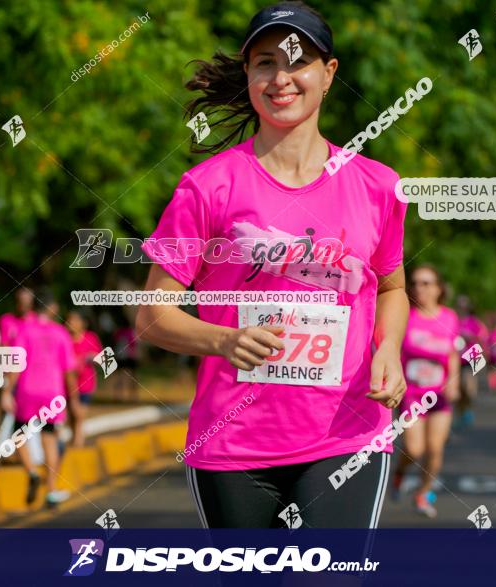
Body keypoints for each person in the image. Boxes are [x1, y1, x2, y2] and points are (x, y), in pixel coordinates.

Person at [136, 1, 409, 528]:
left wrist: (390, 348)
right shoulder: (209, 187)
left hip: (346, 433)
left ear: (328, 75)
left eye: (297, 61)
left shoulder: (376, 186)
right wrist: (223, 341)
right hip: (233, 444)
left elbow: (392, 288)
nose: (281, 77)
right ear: (248, 74)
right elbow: (151, 315)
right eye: (265, 62)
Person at [391, 265, 460, 518]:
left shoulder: (449, 317)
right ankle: (399, 473)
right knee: (414, 449)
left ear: (439, 288)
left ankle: (424, 492)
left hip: (440, 395)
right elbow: (393, 348)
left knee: (435, 449)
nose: (420, 288)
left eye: (427, 283)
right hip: (412, 393)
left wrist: (454, 381)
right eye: (416, 283)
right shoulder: (405, 315)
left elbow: (452, 353)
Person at [1, 291, 77, 508]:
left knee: (19, 434)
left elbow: (17, 363)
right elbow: (69, 369)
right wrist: (73, 399)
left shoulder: (24, 330)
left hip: (27, 390)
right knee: (50, 439)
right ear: (53, 308)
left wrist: (7, 391)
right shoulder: (61, 333)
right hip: (52, 391)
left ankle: (32, 472)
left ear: (34, 307)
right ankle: (51, 490)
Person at [67, 310, 102, 447]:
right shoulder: (65, 338)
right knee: (71, 415)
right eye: (69, 320)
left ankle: (78, 443)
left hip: (86, 384)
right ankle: (75, 438)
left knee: (79, 414)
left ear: (83, 323)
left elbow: (102, 359)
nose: (71, 323)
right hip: (69, 385)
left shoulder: (91, 337)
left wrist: (88, 357)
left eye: (74, 320)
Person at [455, 295, 488, 429]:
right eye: (460, 305)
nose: (462, 308)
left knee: (469, 385)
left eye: (464, 305)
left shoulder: (474, 322)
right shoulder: (454, 320)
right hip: (457, 358)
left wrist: (470, 337)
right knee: (459, 387)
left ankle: (468, 410)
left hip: (472, 356)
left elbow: (482, 339)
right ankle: (461, 411)